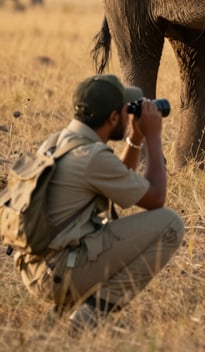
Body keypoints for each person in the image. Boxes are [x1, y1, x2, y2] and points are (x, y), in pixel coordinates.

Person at [15, 74, 184, 332]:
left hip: (36, 270)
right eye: (126, 110)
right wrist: (153, 136)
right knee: (170, 224)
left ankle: (66, 307)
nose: (131, 114)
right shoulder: (92, 157)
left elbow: (119, 181)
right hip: (60, 273)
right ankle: (89, 316)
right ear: (114, 118)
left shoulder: (58, 142)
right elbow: (155, 199)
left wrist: (134, 138)